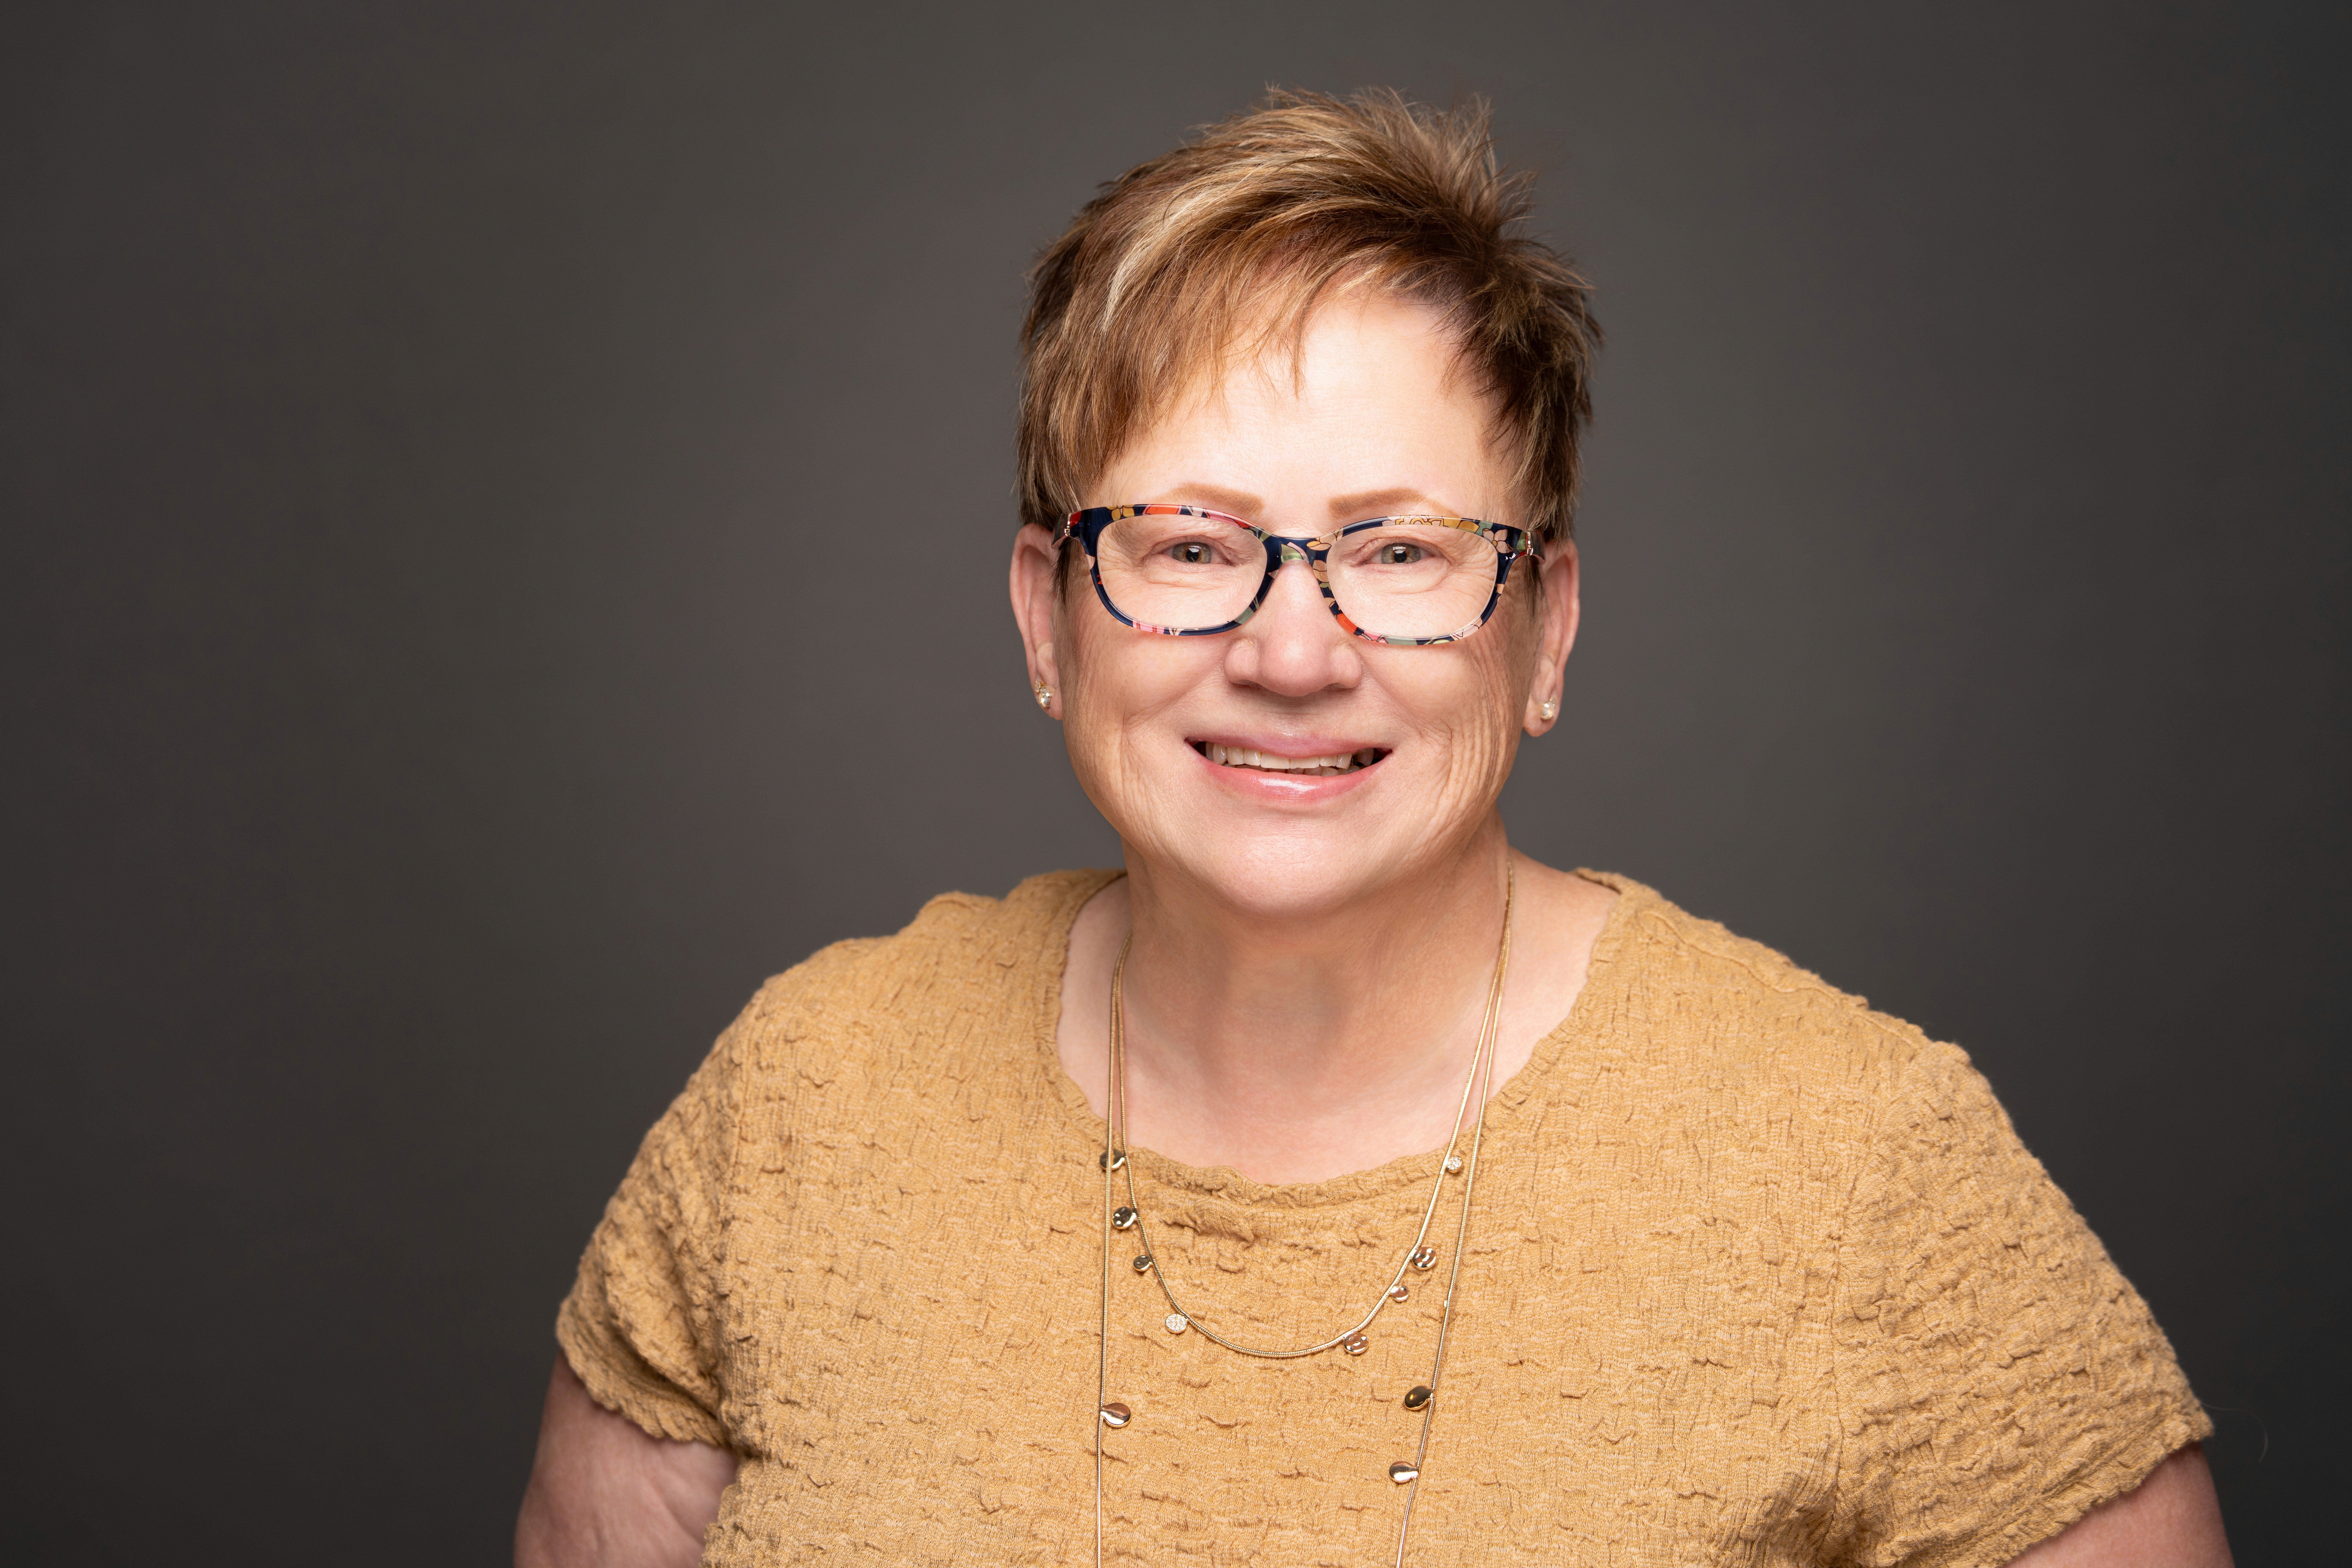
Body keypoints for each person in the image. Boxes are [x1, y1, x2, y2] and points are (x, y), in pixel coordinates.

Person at [515, 90, 2229, 1567]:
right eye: (1190, 544)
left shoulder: (1863, 1171)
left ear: (1544, 630)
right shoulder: (806, 1102)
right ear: (1049, 619)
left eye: (1398, 553)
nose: (1287, 650)